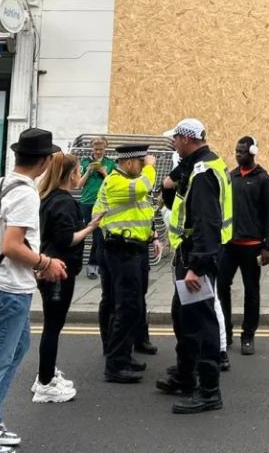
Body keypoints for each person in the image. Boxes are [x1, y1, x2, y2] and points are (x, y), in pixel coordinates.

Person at [0, 128, 66, 453]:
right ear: (46, 161)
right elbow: (12, 245)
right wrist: (46, 263)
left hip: (0, 282)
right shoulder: (25, 193)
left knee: (16, 350)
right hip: (8, 288)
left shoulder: (3, 182)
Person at [156, 118, 232, 414]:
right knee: (183, 317)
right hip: (188, 255)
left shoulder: (202, 175)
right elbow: (174, 188)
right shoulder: (200, 163)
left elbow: (206, 223)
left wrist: (197, 267)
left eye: (175, 138)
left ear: (186, 140)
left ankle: (209, 390)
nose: (173, 143)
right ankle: (186, 375)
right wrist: (169, 180)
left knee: (201, 323)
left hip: (198, 258)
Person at [32, 153, 103, 404]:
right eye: (78, 171)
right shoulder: (64, 203)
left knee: (53, 325)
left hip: (52, 269)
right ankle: (45, 384)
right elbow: (66, 240)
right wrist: (91, 228)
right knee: (53, 326)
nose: (79, 176)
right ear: (70, 174)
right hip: (58, 271)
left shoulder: (50, 198)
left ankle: (46, 372)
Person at [93, 144, 162, 383]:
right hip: (121, 250)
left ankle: (124, 354)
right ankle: (115, 364)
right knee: (125, 306)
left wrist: (152, 235)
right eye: (141, 163)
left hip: (134, 249)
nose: (144, 167)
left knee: (132, 304)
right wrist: (151, 168)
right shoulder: (116, 182)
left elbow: (144, 212)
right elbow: (144, 185)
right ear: (131, 162)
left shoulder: (128, 182)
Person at [217, 135, 269, 360]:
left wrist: (268, 246)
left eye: (241, 151)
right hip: (230, 245)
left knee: (251, 291)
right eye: (235, 151)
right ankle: (227, 332)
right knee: (221, 286)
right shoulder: (231, 177)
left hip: (253, 247)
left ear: (252, 152)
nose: (237, 154)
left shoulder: (263, 179)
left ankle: (248, 335)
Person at [77, 138, 113, 279]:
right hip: (86, 203)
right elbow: (79, 184)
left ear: (105, 148)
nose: (98, 152)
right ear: (92, 149)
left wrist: (104, 172)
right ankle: (76, 263)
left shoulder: (110, 163)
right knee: (83, 233)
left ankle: (93, 266)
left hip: (102, 203)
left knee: (98, 236)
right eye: (95, 149)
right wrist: (88, 171)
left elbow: (112, 183)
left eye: (101, 149)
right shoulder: (85, 162)